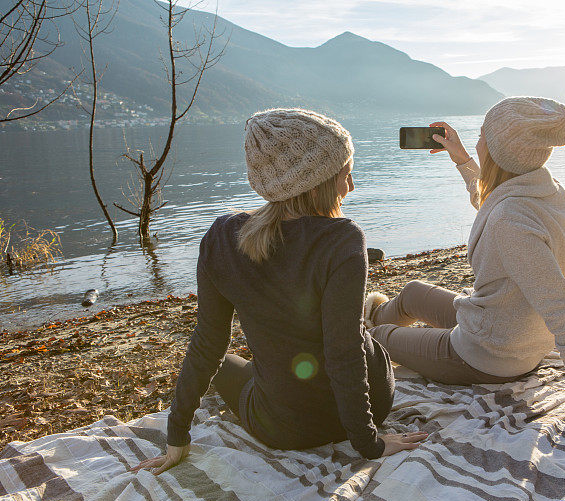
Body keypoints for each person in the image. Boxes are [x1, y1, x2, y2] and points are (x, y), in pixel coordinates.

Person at [132, 109, 427, 475]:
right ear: (316, 182)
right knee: (355, 337)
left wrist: (176, 436)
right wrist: (369, 443)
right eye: (345, 175)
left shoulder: (223, 239)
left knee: (224, 362)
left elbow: (208, 342)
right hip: (373, 403)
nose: (350, 187)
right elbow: (344, 351)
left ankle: (276, 374)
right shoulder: (343, 239)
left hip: (285, 428)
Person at [364, 97, 565, 420]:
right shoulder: (545, 190)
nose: (475, 142)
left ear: (500, 151)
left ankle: (360, 331)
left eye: (481, 135)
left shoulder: (509, 219)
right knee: (413, 292)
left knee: (377, 340)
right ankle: (369, 316)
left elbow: (562, 305)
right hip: (511, 331)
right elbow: (492, 201)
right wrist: (460, 158)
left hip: (489, 355)